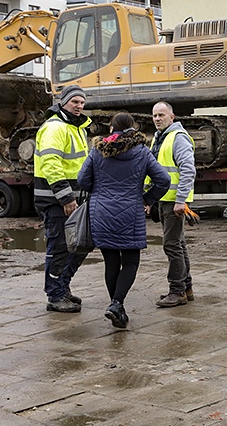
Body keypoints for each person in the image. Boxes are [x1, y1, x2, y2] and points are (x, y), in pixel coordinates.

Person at [78, 112, 170, 328]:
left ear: (111, 129)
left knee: (111, 262)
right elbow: (163, 180)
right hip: (131, 211)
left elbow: (82, 180)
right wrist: (147, 199)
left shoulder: (97, 151)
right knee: (130, 262)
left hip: (101, 212)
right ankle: (117, 304)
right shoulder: (142, 152)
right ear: (133, 128)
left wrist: (100, 193)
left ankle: (115, 306)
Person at [34, 84, 91, 313]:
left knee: (78, 246)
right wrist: (65, 197)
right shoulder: (55, 128)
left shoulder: (77, 128)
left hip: (74, 201)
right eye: (75, 102)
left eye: (82, 102)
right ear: (63, 102)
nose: (79, 106)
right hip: (57, 201)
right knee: (59, 248)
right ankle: (55, 295)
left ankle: (62, 286)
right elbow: (51, 164)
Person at [148, 101, 197, 308]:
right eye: (155, 116)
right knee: (178, 244)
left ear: (172, 117)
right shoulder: (160, 139)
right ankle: (185, 288)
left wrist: (181, 200)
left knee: (172, 245)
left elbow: (188, 169)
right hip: (163, 199)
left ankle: (177, 291)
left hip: (173, 202)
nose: (158, 119)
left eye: (161, 115)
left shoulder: (177, 138)